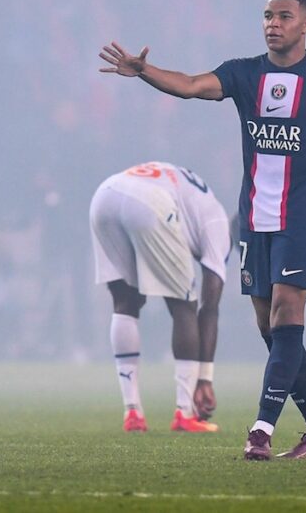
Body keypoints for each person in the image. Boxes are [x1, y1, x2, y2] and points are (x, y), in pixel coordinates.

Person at [99, 0, 306, 460]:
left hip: (305, 215)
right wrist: (144, 72)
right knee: (269, 329)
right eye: (267, 16)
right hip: (255, 217)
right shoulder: (245, 72)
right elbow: (192, 85)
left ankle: (261, 430)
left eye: (284, 16)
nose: (273, 23)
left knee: (286, 314)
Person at [90, 161, 229, 433]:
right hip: (148, 202)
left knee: (125, 302)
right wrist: (205, 378)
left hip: (105, 194)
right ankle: (184, 411)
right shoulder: (219, 224)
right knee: (184, 304)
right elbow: (209, 307)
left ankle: (133, 412)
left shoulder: (199, 202)